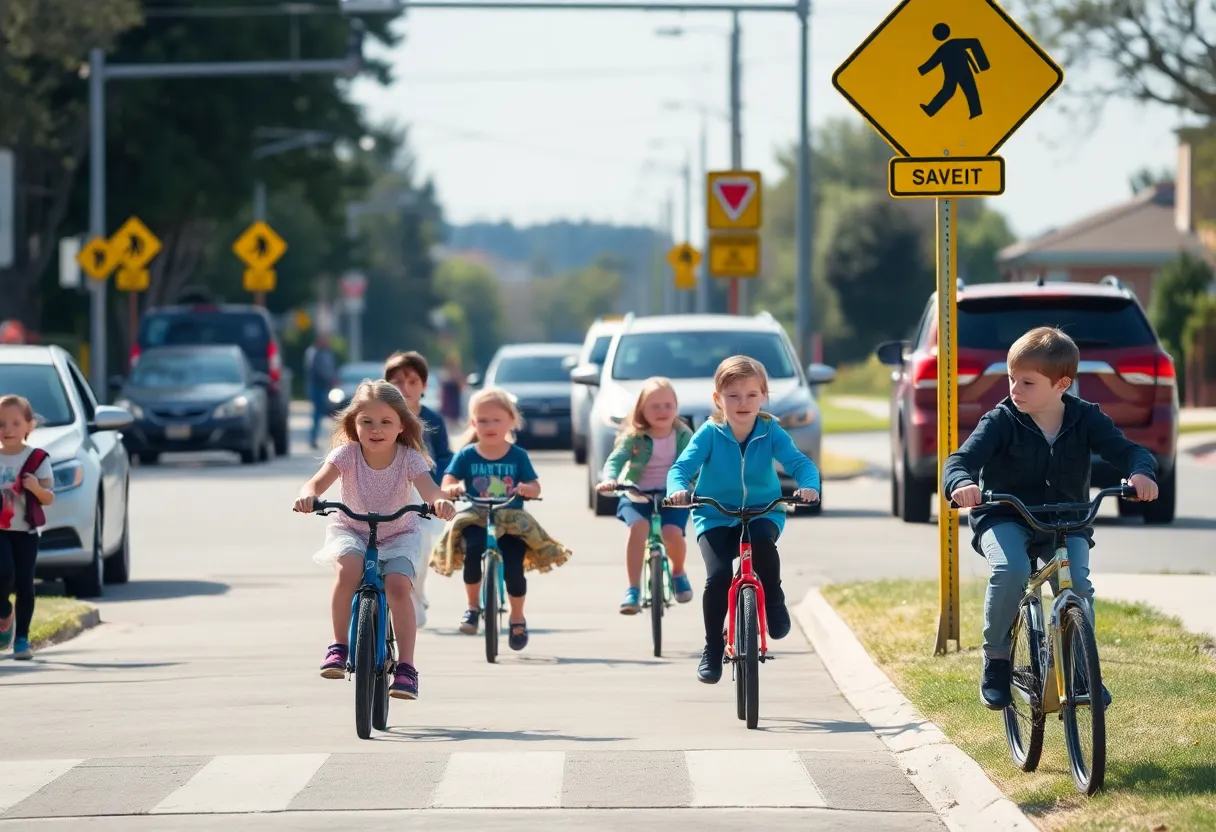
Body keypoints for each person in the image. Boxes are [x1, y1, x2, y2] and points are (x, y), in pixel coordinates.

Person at [942, 326, 1158, 711]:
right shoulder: (1000, 421)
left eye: (1026, 382)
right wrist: (961, 482)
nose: (1015, 389)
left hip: (1066, 521)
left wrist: (1141, 472)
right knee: (1009, 572)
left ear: (1062, 384)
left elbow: (1129, 452)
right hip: (1005, 517)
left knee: (1077, 587)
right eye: (1011, 378)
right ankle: (996, 659)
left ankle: (1077, 667)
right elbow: (960, 461)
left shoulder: (1086, 418)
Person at [294, 381, 456, 700]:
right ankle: (339, 646)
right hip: (352, 530)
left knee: (397, 586)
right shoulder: (347, 455)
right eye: (366, 421)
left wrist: (441, 502)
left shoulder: (410, 458)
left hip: (399, 534)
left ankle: (407, 668)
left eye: (385, 422)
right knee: (348, 571)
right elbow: (313, 484)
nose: (376, 429)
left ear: (400, 426)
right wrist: (308, 497)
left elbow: (430, 490)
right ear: (354, 423)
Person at [667, 356, 821, 684]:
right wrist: (679, 489)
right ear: (717, 400)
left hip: (763, 510)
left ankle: (775, 599)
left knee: (763, 545)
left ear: (764, 396)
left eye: (752, 394)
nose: (743, 403)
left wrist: (809, 485)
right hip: (714, 514)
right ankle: (712, 647)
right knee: (719, 575)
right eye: (733, 395)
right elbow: (680, 469)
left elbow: (799, 463)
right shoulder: (710, 432)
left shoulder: (771, 430)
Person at [433, 387, 571, 651]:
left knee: (514, 568)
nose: (489, 426)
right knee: (473, 550)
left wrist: (528, 490)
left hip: (511, 518)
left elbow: (534, 484)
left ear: (511, 421)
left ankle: (517, 618)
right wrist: (451, 488)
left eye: (496, 420)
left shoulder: (517, 455)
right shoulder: (467, 454)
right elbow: (449, 478)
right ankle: (473, 607)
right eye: (482, 420)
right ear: (473, 423)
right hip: (477, 515)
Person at [595, 377, 696, 613]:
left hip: (673, 496)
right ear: (642, 409)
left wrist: (701, 485)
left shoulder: (683, 435)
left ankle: (678, 571)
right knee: (638, 529)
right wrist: (609, 479)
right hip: (636, 494)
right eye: (655, 406)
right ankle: (632, 590)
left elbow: (695, 464)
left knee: (672, 533)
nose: (662, 411)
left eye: (668, 405)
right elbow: (616, 459)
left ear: (676, 408)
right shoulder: (634, 436)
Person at [384, 350, 453, 628]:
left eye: (413, 381)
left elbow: (446, 455)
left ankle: (417, 594)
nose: (405, 387)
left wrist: (448, 483)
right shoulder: (379, 417)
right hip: (386, 494)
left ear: (424, 386)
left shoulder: (433, 419)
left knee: (422, 550)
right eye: (398, 381)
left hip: (425, 496)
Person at [0, 395, 55, 660]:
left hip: (26, 532)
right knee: (3, 572)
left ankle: (21, 639)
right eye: (1, 424)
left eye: (14, 423)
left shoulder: (37, 459)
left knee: (24, 583)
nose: (7, 430)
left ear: (28, 426)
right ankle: (3, 612)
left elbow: (49, 497)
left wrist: (34, 486)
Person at [304, 334, 339, 449]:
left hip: (327, 387)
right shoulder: (314, 353)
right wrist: (330, 378)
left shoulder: (328, 353)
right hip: (318, 387)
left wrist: (334, 378)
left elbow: (331, 368)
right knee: (318, 413)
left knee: (332, 412)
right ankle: (313, 438)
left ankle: (338, 437)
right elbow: (317, 370)